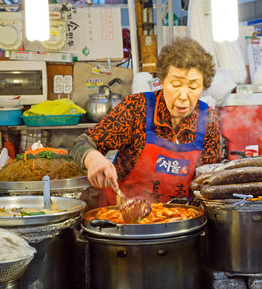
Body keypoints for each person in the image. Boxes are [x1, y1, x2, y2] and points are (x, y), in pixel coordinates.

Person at [71, 37, 221, 205]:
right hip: (120, 219)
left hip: (176, 220)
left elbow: (209, 182)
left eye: (193, 87)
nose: (184, 96)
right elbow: (82, 143)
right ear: (162, 81)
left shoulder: (208, 119)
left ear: (203, 87)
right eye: (176, 84)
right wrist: (93, 159)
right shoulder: (137, 108)